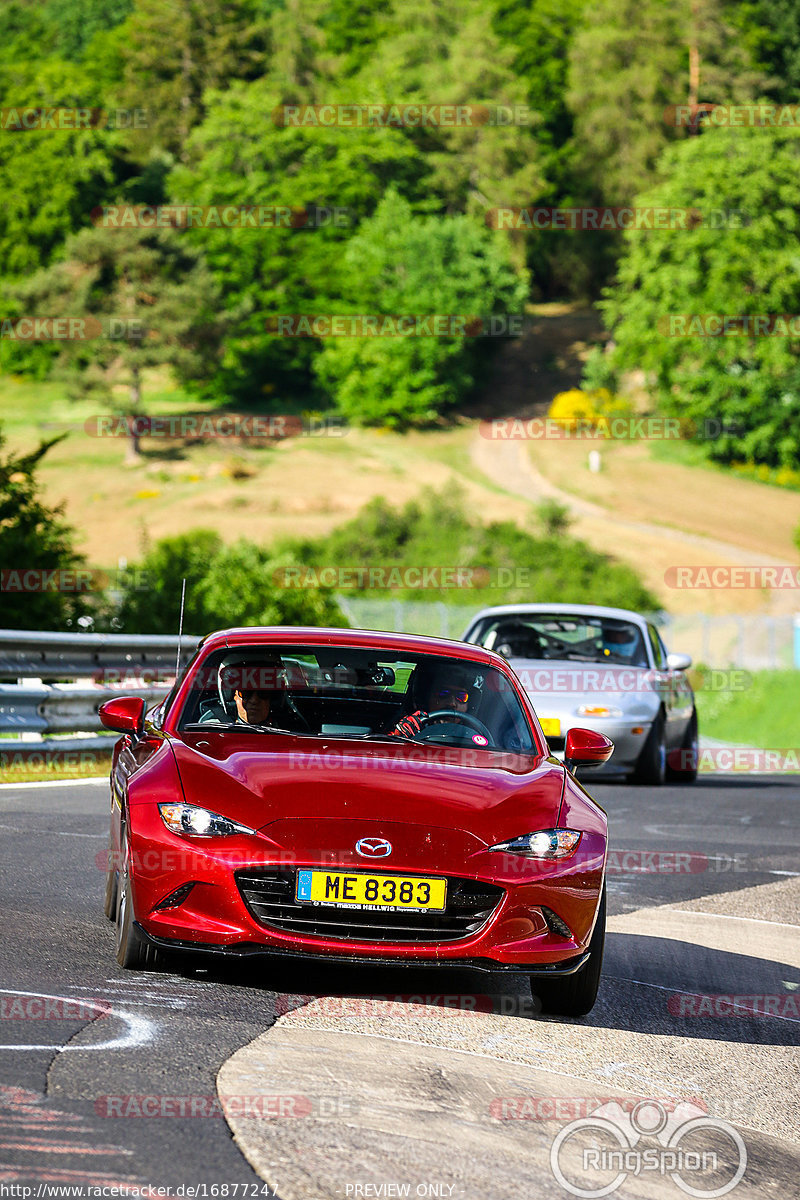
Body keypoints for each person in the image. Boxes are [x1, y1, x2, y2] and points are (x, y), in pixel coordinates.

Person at [388, 665, 475, 739]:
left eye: (461, 697)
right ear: (426, 698)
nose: (452, 703)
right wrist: (398, 735)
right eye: (443, 694)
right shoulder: (412, 727)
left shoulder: (477, 736)